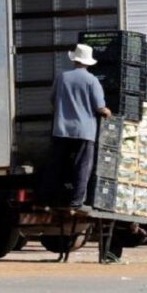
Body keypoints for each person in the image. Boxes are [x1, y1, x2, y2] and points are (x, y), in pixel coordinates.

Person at [41, 44, 111, 209]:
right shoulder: (92, 80)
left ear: (75, 60)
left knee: (56, 165)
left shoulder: (62, 77)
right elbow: (99, 107)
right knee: (82, 166)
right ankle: (75, 202)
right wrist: (107, 112)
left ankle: (47, 199)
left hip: (61, 129)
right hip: (84, 131)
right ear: (88, 62)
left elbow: (52, 99)